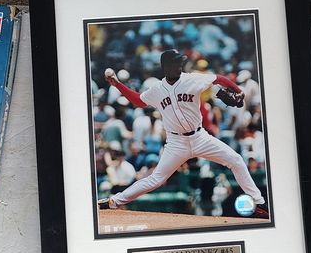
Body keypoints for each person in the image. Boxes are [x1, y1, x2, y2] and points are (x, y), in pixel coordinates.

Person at [98, 49, 268, 216]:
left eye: (180, 63)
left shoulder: (192, 79)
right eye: (176, 63)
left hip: (200, 137)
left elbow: (219, 79)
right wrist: (117, 85)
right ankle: (114, 201)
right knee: (156, 179)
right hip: (176, 143)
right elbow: (138, 101)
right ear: (166, 67)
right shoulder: (157, 89)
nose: (180, 66)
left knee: (236, 160)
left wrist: (238, 90)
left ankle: (259, 202)